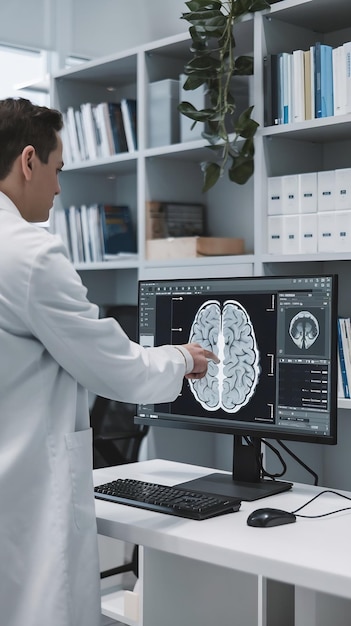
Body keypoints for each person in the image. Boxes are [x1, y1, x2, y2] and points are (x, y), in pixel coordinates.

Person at [0, 97, 218, 626]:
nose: (57, 188)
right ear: (28, 162)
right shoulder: (29, 255)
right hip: (25, 491)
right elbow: (115, 367)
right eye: (56, 171)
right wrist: (183, 359)